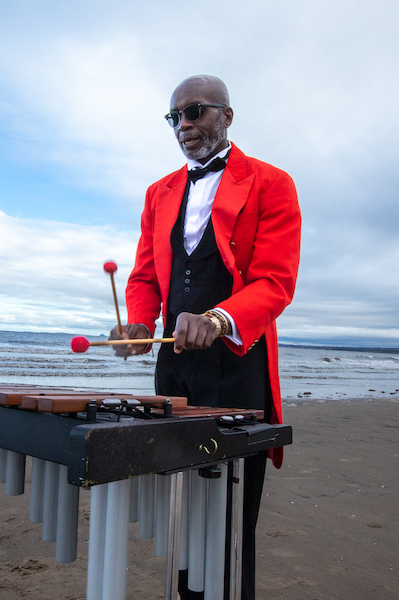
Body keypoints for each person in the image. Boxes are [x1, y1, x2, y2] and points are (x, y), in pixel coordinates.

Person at [111, 75, 301, 599]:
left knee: (229, 524)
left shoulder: (271, 182)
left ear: (227, 115)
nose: (184, 125)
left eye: (194, 111)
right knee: (181, 517)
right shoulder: (158, 192)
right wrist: (139, 324)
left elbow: (276, 282)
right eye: (174, 117)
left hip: (240, 373)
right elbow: (146, 276)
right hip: (173, 375)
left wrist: (218, 318)